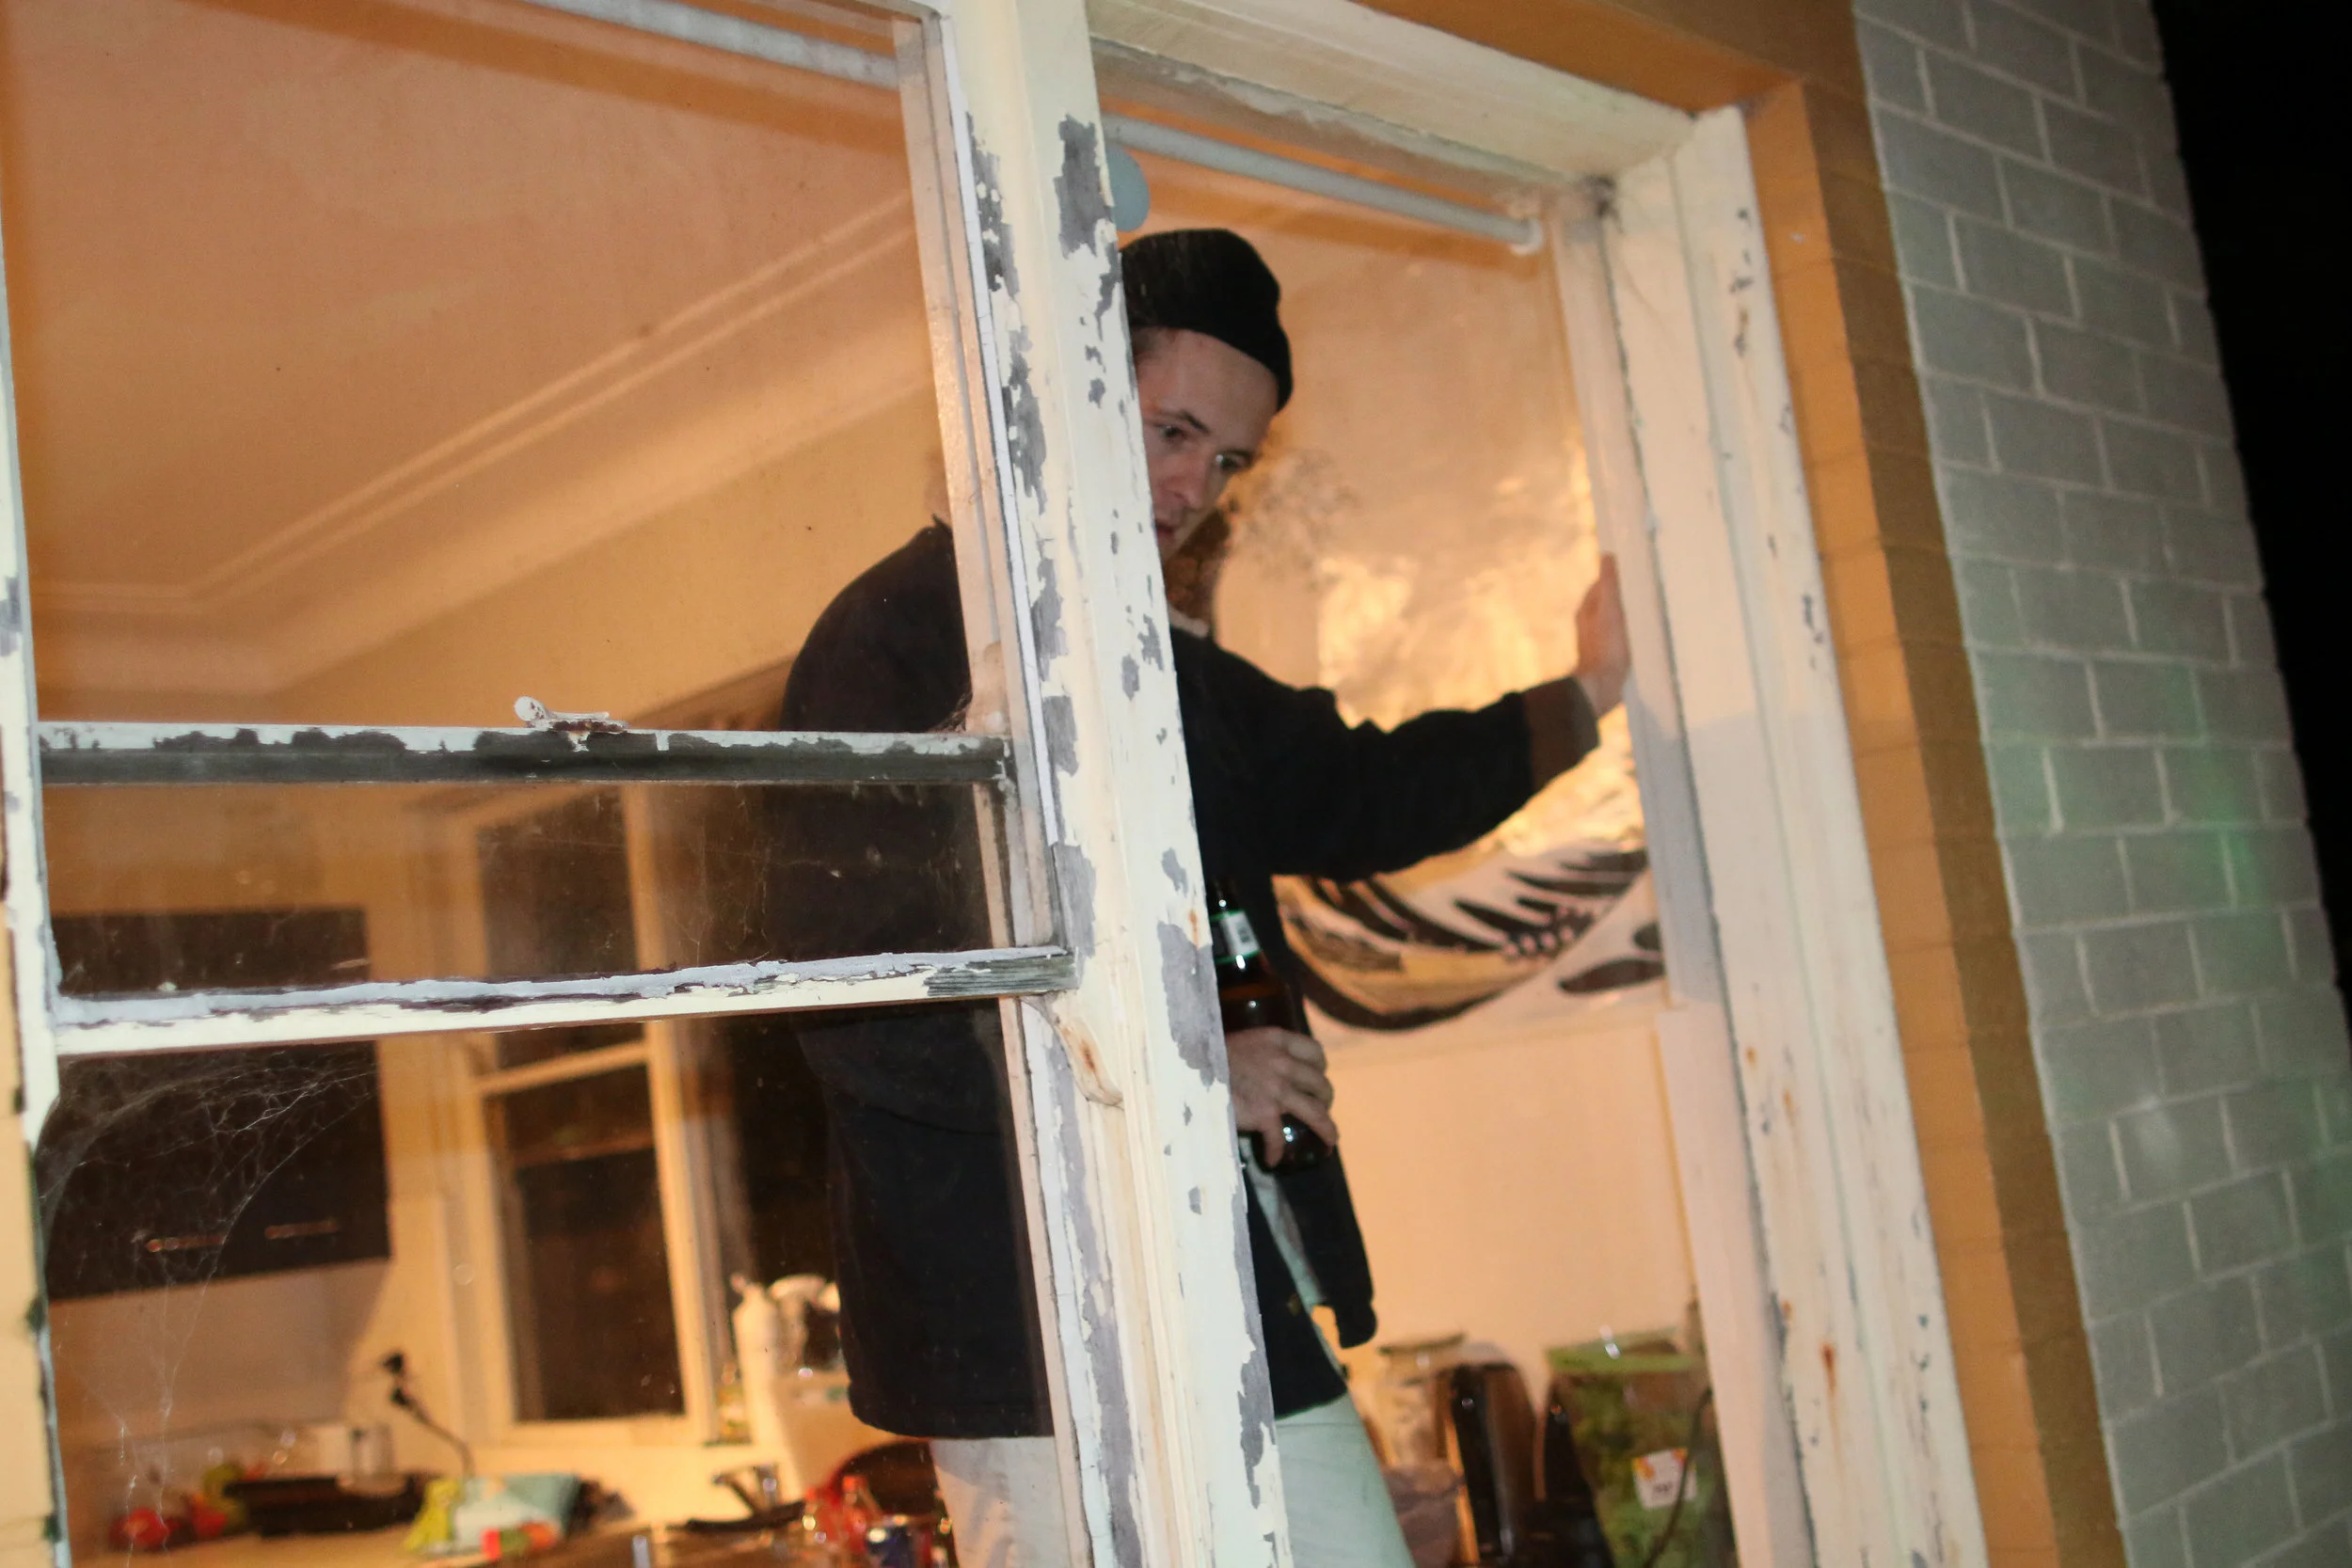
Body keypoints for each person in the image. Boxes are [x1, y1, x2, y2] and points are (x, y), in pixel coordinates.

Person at [772, 228, 1629, 1566]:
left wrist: (1590, 693)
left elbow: (1363, 791)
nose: (1193, 489)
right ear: (1066, 388)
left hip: (1227, 1287)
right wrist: (1184, 1070)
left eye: (1228, 461)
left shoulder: (1149, 655)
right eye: (1173, 432)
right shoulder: (898, 641)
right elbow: (869, 1004)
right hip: (1026, 1332)